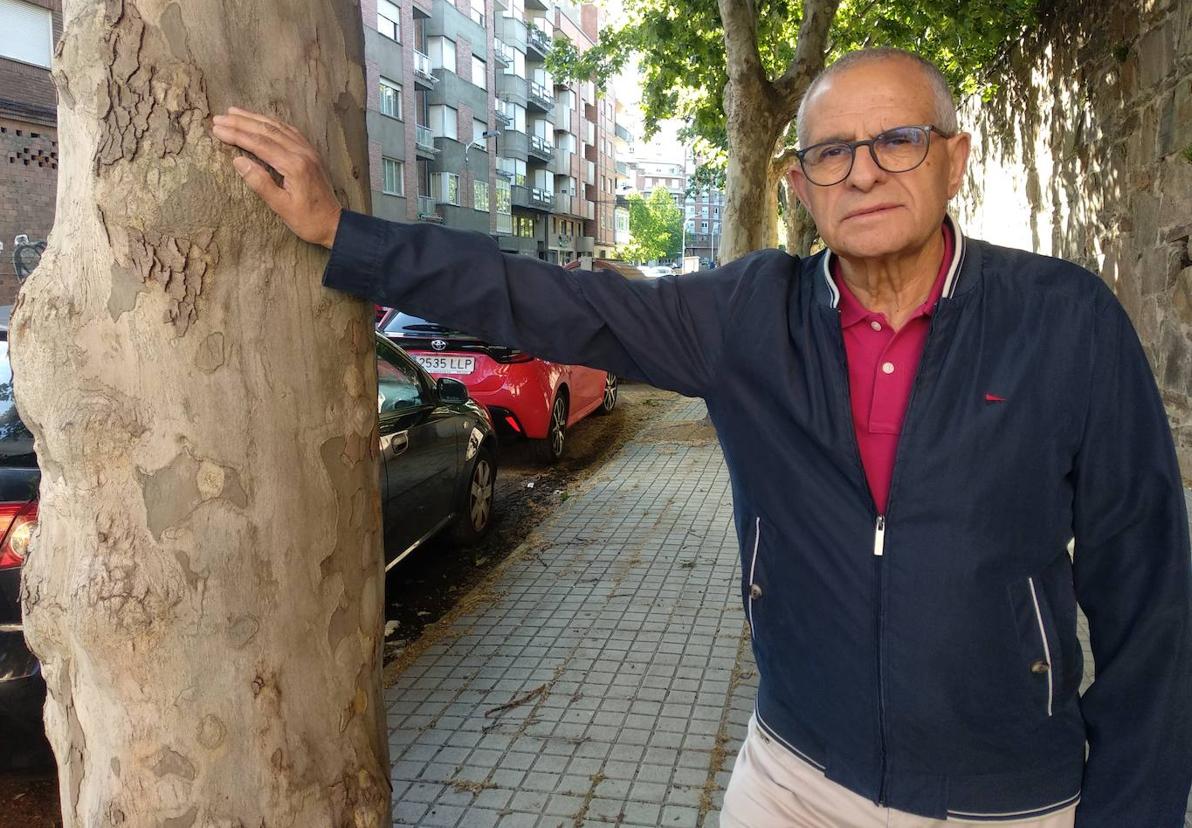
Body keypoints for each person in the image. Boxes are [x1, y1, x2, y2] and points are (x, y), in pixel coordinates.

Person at [212, 47, 1191, 828]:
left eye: (896, 139)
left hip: (1007, 797)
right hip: (797, 779)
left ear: (953, 155)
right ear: (799, 186)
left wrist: (1138, 809)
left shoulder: (1063, 320)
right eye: (829, 154)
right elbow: (549, 298)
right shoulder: (746, 317)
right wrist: (346, 232)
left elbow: (1147, 593)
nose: (863, 172)